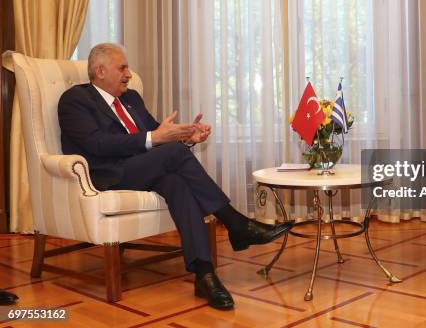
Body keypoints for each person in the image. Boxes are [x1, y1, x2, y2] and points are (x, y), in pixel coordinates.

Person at [58, 43, 292, 310]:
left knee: (178, 183)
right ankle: (236, 224)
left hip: (143, 168)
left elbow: (157, 136)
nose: (129, 73)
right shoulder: (76, 99)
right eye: (122, 68)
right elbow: (97, 144)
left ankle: (204, 274)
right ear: (100, 71)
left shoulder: (131, 98)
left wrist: (186, 137)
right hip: (108, 174)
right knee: (171, 154)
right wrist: (159, 138)